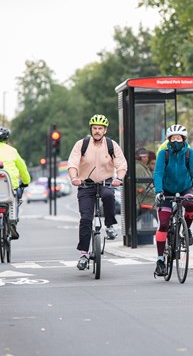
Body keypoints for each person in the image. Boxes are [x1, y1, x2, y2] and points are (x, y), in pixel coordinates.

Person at [68, 114, 128, 270]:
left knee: (108, 195)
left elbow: (121, 165)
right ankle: (83, 254)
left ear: (105, 130)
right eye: (94, 128)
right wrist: (74, 178)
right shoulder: (81, 145)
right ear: (91, 129)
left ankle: (109, 225)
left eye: (100, 128)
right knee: (86, 219)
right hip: (85, 184)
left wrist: (119, 178)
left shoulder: (111, 145)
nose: (97, 131)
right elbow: (72, 163)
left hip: (105, 182)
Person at [153, 124, 193, 277]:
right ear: (169, 139)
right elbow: (158, 173)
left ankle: (186, 229)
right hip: (167, 189)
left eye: (179, 138)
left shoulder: (190, 153)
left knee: (189, 203)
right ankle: (160, 260)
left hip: (185, 187)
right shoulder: (164, 153)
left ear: (184, 139)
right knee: (163, 223)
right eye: (173, 138)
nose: (176, 140)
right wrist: (159, 192)